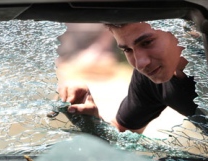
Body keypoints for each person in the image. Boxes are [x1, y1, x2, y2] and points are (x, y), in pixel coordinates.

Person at [58, 22, 199, 134]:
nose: (140, 63)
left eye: (147, 42)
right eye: (127, 50)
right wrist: (91, 120)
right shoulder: (149, 79)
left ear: (179, 32)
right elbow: (121, 134)